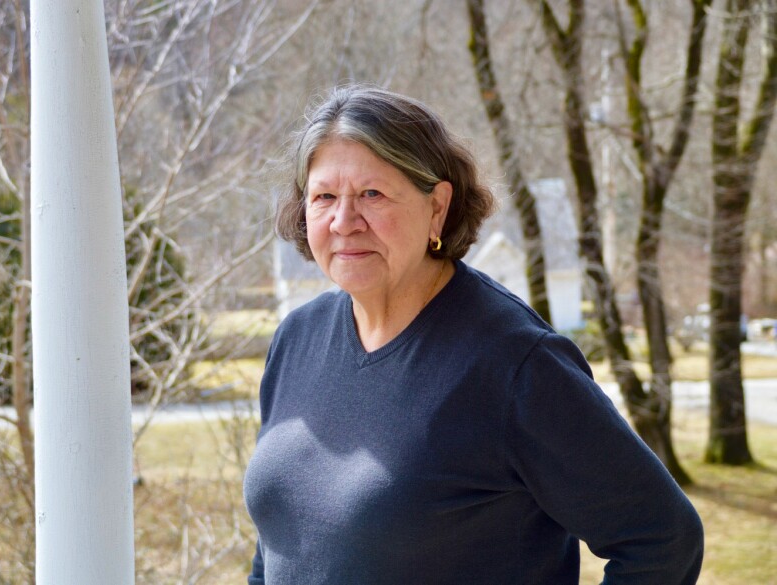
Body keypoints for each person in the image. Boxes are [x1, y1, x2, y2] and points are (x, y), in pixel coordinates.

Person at [243, 85, 704, 584]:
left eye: (372, 194)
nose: (344, 221)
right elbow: (280, 543)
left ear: (437, 207)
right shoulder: (297, 340)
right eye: (324, 196)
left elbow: (662, 539)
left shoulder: (514, 363)